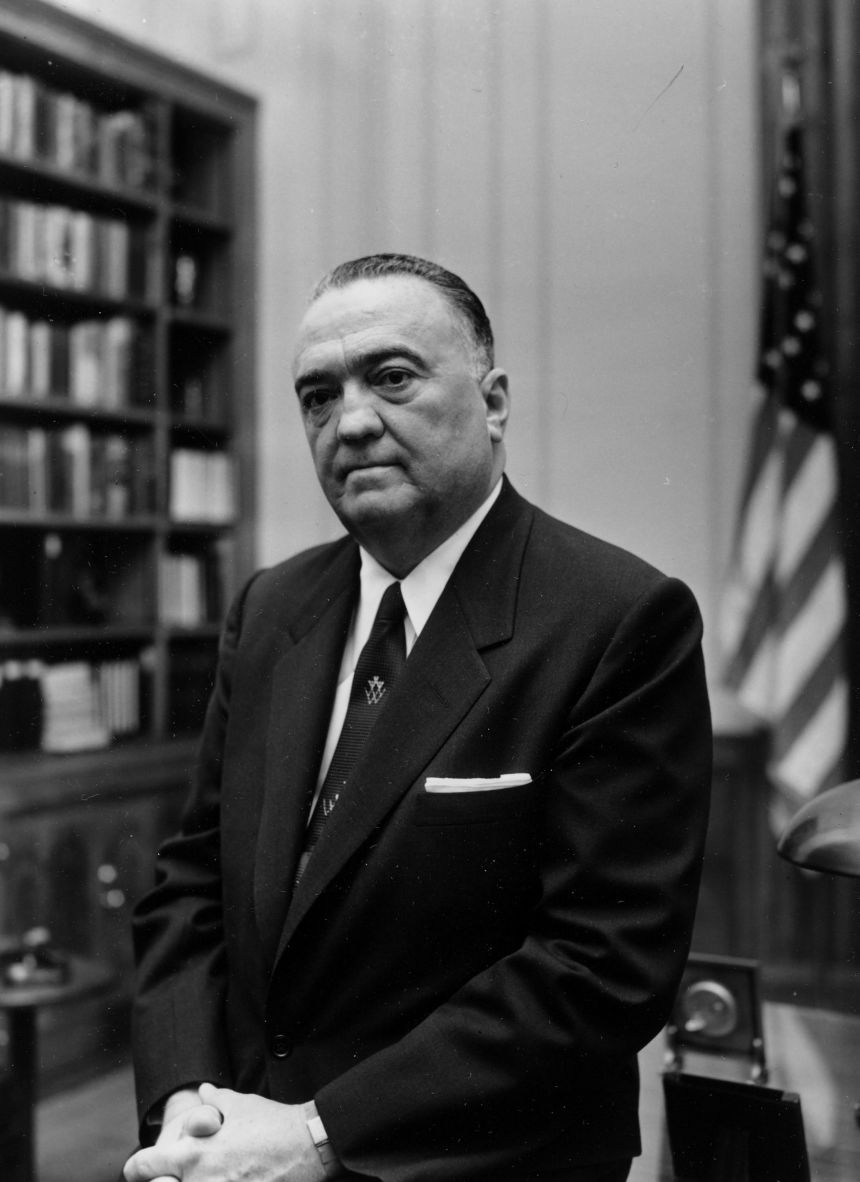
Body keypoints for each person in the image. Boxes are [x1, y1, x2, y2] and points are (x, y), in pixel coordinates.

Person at [123, 253, 712, 1182]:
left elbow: (600, 967)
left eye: (392, 377)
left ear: (495, 401)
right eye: (318, 396)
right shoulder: (271, 609)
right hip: (237, 1145)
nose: (351, 420)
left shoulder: (617, 618)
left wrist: (320, 1133)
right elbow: (193, 879)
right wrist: (187, 1099)